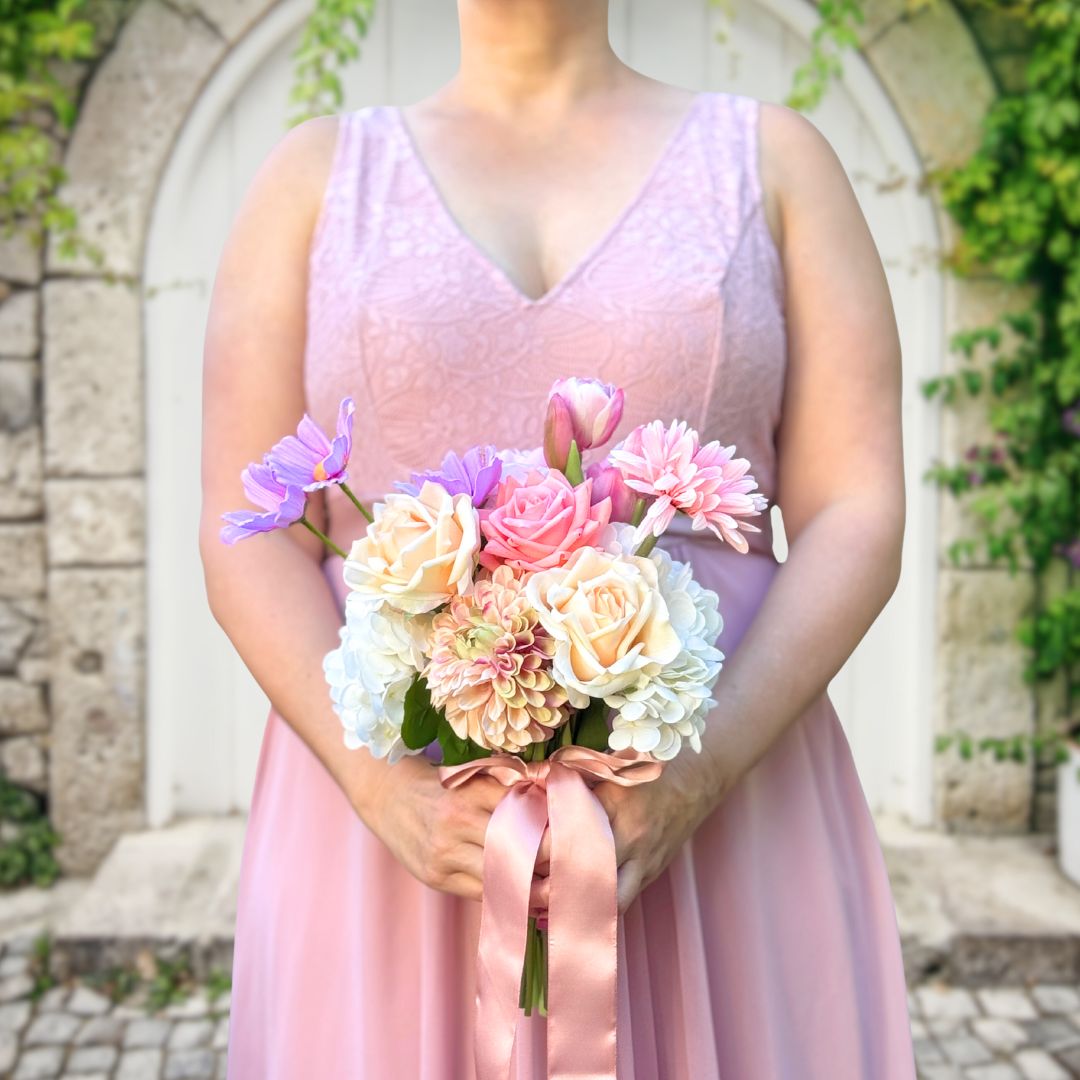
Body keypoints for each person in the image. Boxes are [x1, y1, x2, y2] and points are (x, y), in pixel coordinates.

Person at [200, 1, 917, 1076]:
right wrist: (380, 791)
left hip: (717, 790)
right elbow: (245, 528)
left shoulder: (774, 161)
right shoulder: (310, 179)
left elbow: (856, 503)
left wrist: (698, 775)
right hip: (400, 825)